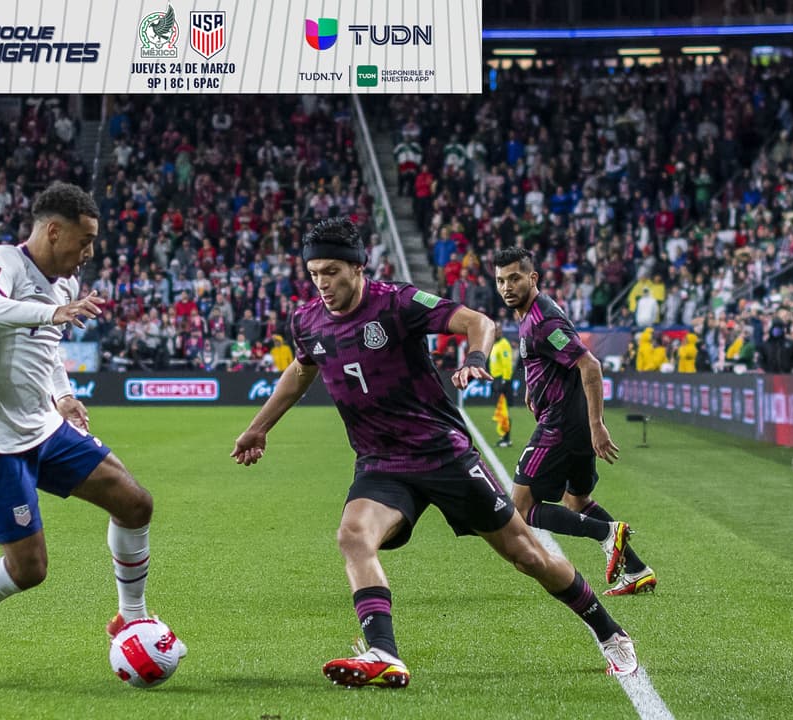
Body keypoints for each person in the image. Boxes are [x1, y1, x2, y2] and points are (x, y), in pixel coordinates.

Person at [232, 218, 638, 689]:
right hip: (381, 462)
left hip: (442, 454)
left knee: (526, 554)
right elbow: (301, 371)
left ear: (358, 268)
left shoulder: (396, 302)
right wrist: (258, 428)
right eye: (315, 272)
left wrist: (475, 359)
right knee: (353, 536)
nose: (322, 282)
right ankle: (384, 651)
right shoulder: (307, 321)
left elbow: (477, 322)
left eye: (332, 271)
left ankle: (611, 633)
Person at [0, 182, 179, 682]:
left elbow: (47, 350)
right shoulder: (4, 262)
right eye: (86, 239)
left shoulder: (66, 285)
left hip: (46, 427)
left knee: (135, 502)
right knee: (29, 569)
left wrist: (63, 395)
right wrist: (52, 311)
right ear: (54, 231)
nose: (90, 252)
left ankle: (132, 616)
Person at [494, 246, 656, 596]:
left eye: (515, 278)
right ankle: (638, 570)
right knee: (577, 501)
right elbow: (548, 361)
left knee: (521, 508)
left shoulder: (542, 320)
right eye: (501, 280)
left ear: (532, 277)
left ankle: (606, 534)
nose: (507, 286)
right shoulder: (531, 313)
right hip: (571, 419)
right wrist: (531, 389)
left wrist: (597, 424)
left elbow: (590, 365)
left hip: (563, 423)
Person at [489, 333, 515, 447]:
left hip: (502, 380)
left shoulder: (504, 344)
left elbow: (507, 363)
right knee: (501, 409)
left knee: (504, 410)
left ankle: (506, 438)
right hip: (496, 379)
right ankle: (504, 436)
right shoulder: (496, 344)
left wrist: (505, 380)